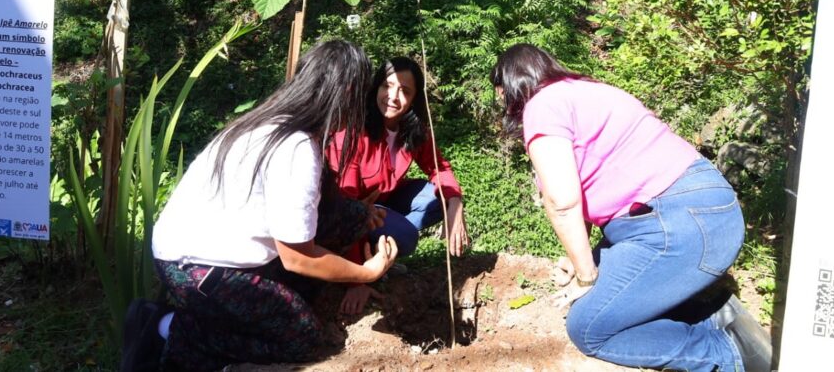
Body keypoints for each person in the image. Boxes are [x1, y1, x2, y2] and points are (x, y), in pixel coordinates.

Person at [489, 44, 772, 372]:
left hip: (676, 223)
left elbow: (562, 202)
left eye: (499, 92)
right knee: (611, 292)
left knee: (589, 327)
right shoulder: (589, 91)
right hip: (705, 211)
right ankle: (715, 315)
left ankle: (727, 353)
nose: (500, 101)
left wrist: (585, 277)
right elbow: (595, 185)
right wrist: (576, 257)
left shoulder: (541, 105)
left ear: (509, 84)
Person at [121, 40, 399, 372]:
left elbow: (320, 213)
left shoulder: (271, 122)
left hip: (210, 249)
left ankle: (211, 319)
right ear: (349, 91)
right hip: (195, 270)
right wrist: (366, 272)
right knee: (302, 338)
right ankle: (165, 328)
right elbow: (297, 258)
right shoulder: (295, 148)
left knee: (326, 256)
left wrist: (361, 215)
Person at [327, 56, 469, 314]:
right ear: (375, 88)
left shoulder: (412, 129)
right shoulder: (353, 130)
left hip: (384, 200)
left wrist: (456, 203)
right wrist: (358, 277)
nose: (393, 96)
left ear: (414, 98)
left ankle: (383, 253)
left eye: (404, 91)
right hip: (346, 212)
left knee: (437, 199)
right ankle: (371, 259)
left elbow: (439, 167)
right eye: (387, 86)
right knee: (407, 236)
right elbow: (345, 206)